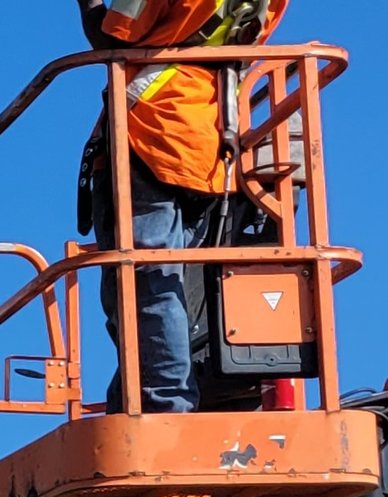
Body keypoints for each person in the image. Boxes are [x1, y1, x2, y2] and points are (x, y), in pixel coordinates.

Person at [78, 0, 287, 412]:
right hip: (209, 134)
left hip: (153, 128)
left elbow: (113, 32)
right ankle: (142, 399)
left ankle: (165, 405)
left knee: (146, 283)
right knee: (170, 286)